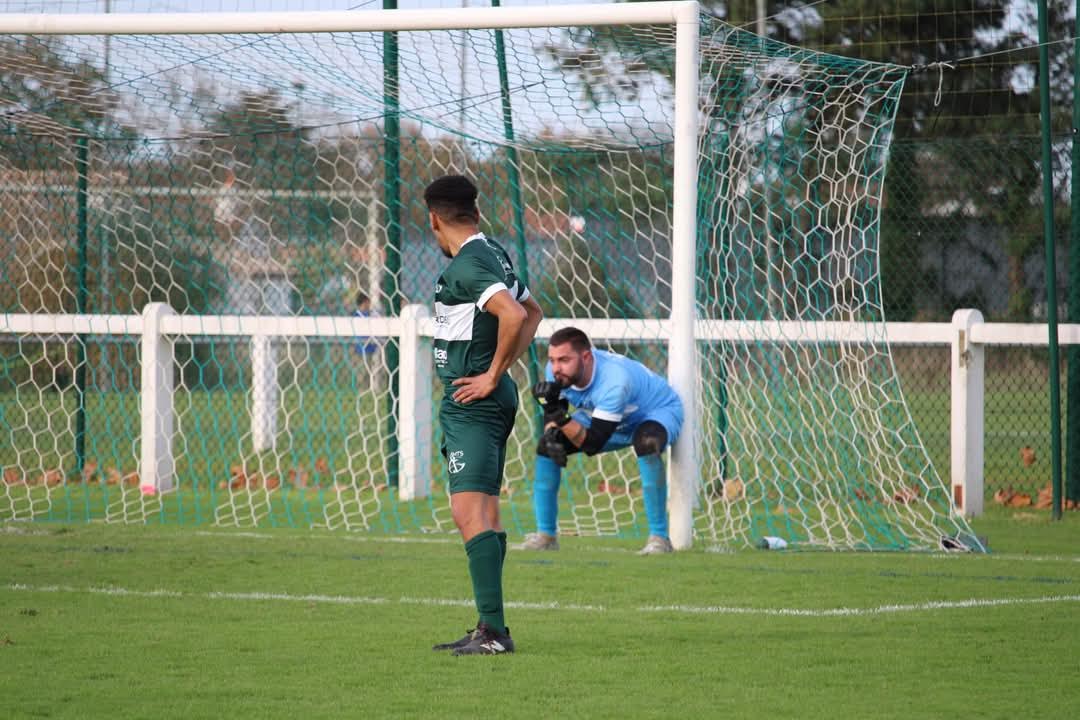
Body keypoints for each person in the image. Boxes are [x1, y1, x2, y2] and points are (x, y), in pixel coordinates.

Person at [424, 175, 543, 656]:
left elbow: (516, 316)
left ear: (434, 219)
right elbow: (533, 312)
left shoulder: (471, 262)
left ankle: (493, 634)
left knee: (467, 511)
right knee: (485, 512)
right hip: (483, 401)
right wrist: (503, 372)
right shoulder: (492, 251)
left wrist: (493, 374)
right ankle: (489, 627)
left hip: (474, 401)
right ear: (475, 212)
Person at [520, 327, 684, 555]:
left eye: (564, 360)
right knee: (546, 446)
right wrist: (550, 431)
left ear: (586, 357)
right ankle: (546, 536)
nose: (556, 368)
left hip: (654, 412)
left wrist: (558, 416)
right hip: (606, 416)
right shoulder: (556, 371)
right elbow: (556, 411)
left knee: (646, 442)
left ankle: (660, 539)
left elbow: (593, 444)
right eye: (553, 360)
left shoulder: (614, 380)